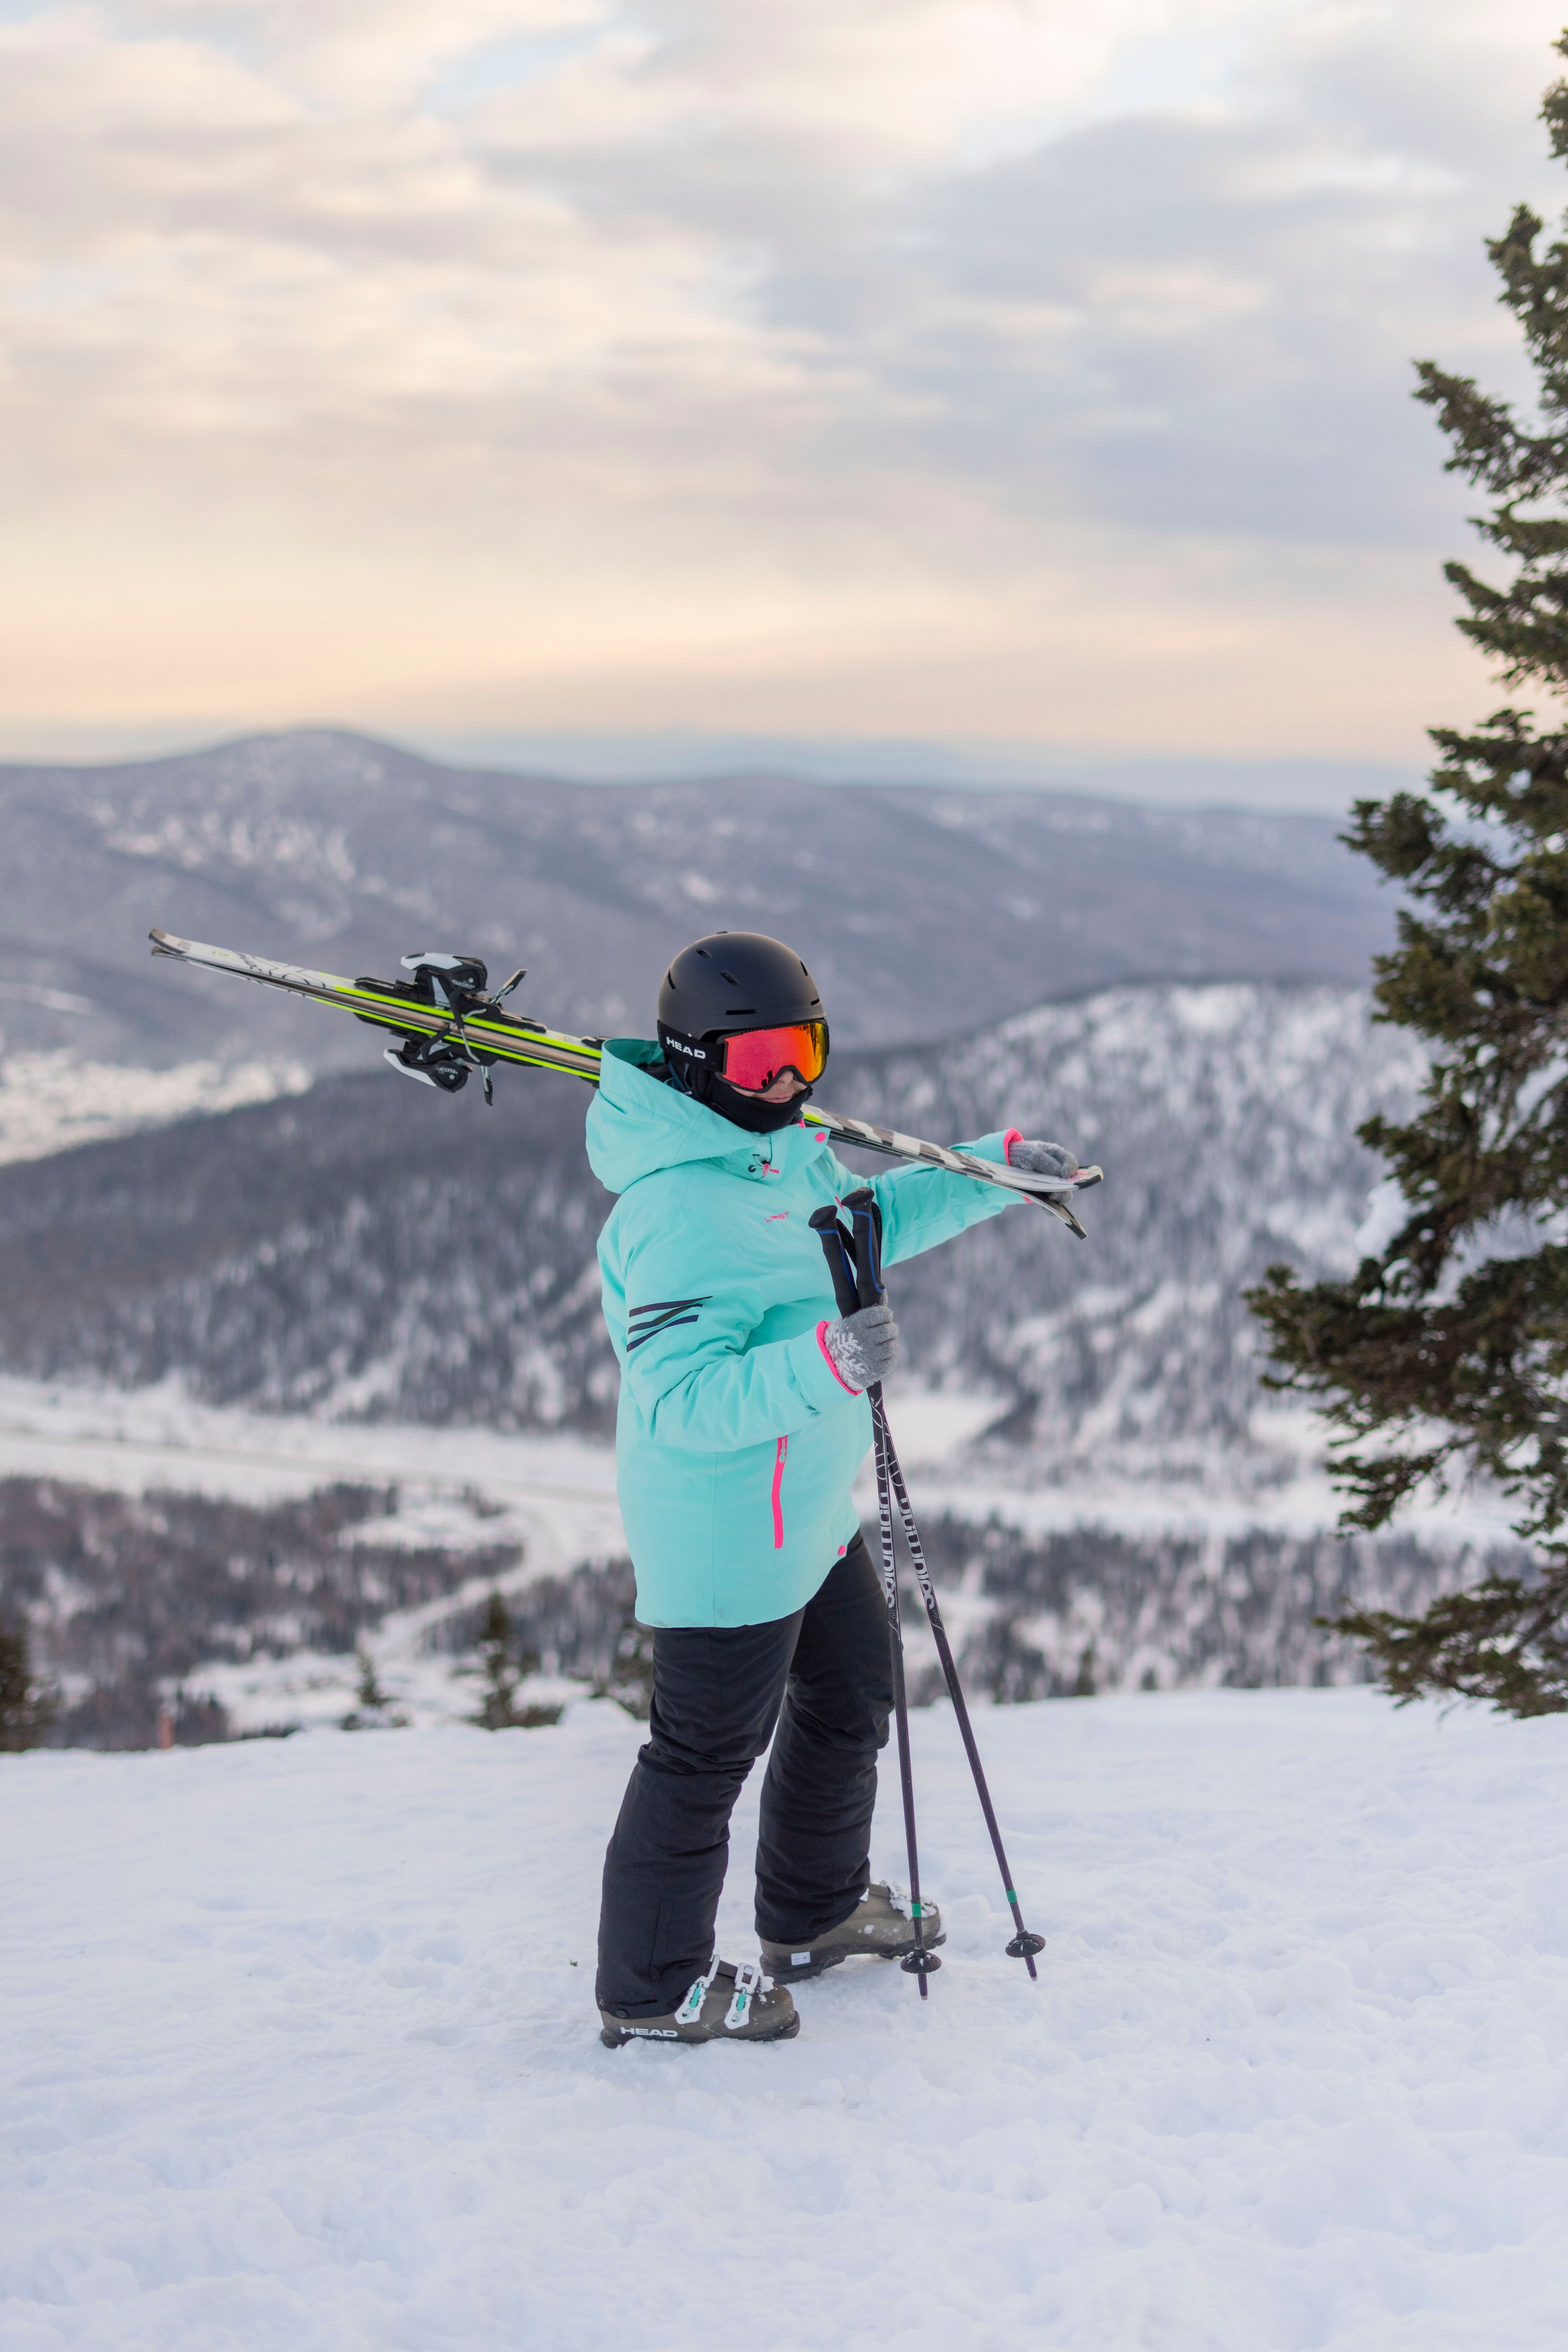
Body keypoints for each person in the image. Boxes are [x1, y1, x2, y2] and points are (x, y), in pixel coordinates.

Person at [586, 932, 1078, 2046]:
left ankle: (810, 1915)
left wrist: (991, 1170)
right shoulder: (675, 1213)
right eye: (760, 1061)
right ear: (697, 1061)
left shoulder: (780, 1152)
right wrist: (828, 1362)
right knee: (704, 1756)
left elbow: (868, 1222)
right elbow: (677, 1400)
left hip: (804, 1512)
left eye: (805, 1050)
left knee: (852, 1692)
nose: (791, 1082)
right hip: (723, 1538)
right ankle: (650, 1987)